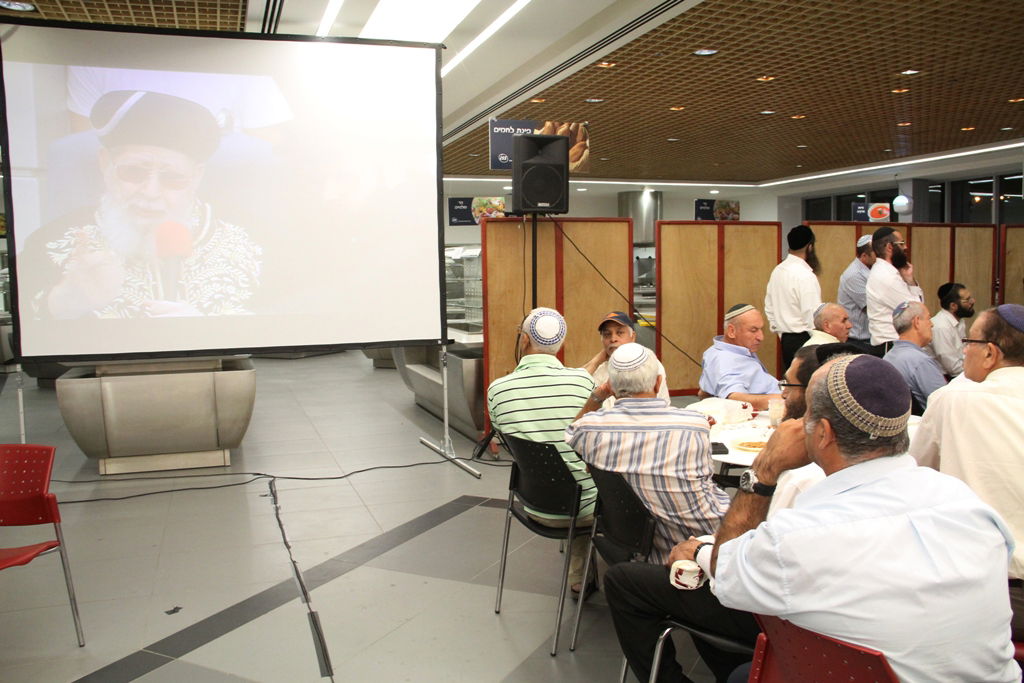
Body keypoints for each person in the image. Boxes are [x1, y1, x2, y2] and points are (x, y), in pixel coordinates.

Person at [680, 354, 1020, 683]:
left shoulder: (797, 538)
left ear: (823, 433)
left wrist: (765, 468)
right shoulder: (970, 506)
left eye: (807, 414)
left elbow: (727, 574)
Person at [20, 90, 261, 319]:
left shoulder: (255, 244)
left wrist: (208, 333)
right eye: (134, 172)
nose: (150, 192)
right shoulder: (48, 242)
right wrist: (66, 300)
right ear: (106, 164)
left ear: (196, 176)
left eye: (172, 178)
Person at [911, 303, 1024, 643]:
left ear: (990, 353)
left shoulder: (954, 400)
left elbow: (913, 478)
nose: (964, 352)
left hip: (995, 595)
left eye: (968, 343)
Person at [566, 343, 729, 565]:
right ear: (658, 382)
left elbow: (572, 432)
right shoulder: (695, 424)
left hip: (630, 538)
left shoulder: (590, 429)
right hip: (701, 544)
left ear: (611, 386)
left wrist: (598, 396)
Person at [487, 307, 596, 595]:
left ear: (523, 340)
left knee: (569, 479)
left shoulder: (498, 390)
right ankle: (585, 575)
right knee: (591, 480)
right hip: (582, 509)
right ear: (561, 345)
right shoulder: (585, 383)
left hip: (531, 501)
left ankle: (579, 574)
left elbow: (507, 440)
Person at [699, 304, 781, 411]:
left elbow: (703, 393)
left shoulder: (732, 350)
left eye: (761, 329)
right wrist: (782, 399)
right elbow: (734, 399)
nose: (761, 337)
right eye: (753, 330)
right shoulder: (724, 359)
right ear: (732, 331)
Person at [582, 311, 669, 409]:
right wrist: (596, 361)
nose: (613, 339)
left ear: (633, 337)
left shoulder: (649, 364)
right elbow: (574, 386)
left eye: (620, 333)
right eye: (607, 334)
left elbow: (662, 406)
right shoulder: (599, 366)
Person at [764, 225, 821, 369]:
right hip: (805, 340)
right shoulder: (806, 276)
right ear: (810, 247)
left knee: (793, 385)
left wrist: (780, 333)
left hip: (786, 340)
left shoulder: (778, 270)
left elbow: (769, 307)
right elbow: (813, 315)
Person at [882, 301, 947, 413]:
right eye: (928, 318)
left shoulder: (886, 358)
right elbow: (946, 405)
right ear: (917, 322)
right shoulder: (920, 362)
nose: (932, 324)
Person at [865, 226, 923, 350]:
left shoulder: (890, 272)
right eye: (902, 243)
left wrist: (909, 279)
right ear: (890, 247)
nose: (906, 247)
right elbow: (917, 310)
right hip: (890, 345)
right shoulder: (886, 276)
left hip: (894, 344)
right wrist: (910, 282)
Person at [924, 282, 975, 376]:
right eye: (967, 300)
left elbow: (963, 355)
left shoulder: (960, 321)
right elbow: (953, 368)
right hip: (943, 379)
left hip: (961, 373)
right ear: (953, 306)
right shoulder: (941, 327)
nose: (973, 301)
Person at [837, 234, 876, 350]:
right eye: (876, 253)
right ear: (864, 256)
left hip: (869, 339)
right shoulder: (854, 275)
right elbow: (871, 307)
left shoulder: (873, 269)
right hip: (858, 341)